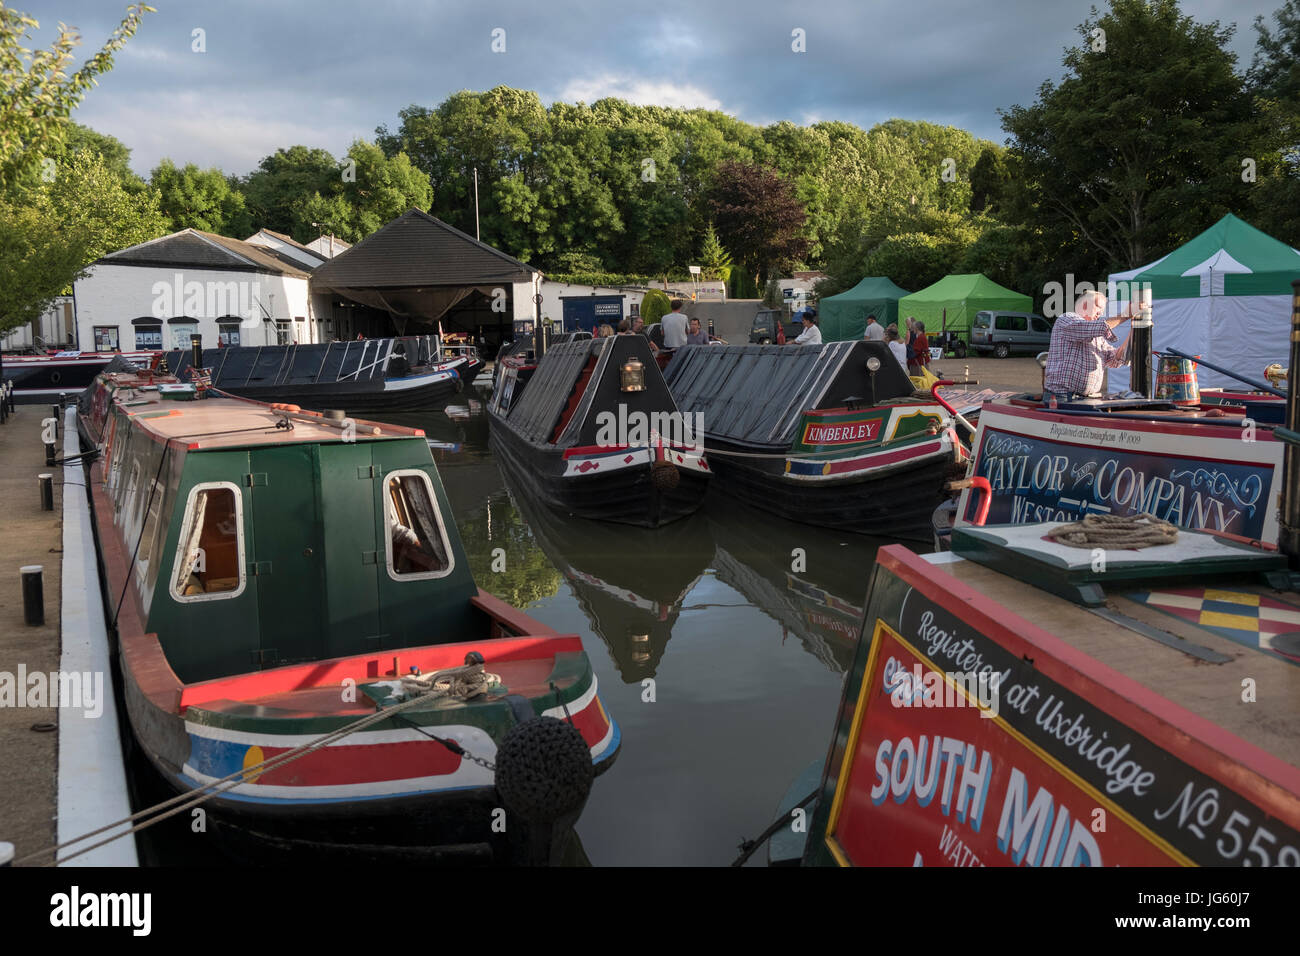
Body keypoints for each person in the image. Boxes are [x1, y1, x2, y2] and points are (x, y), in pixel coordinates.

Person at [1043, 290, 1135, 403]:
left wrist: (1135, 330)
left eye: (1102, 310)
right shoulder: (1066, 319)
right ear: (1085, 304)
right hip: (1061, 398)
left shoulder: (1097, 336)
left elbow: (1115, 359)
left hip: (1085, 399)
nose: (1100, 313)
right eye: (1098, 307)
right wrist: (1126, 314)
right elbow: (1089, 329)